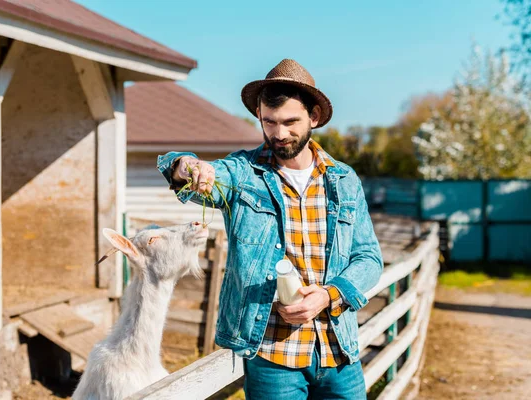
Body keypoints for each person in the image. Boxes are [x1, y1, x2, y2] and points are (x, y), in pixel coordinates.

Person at [157, 59, 383, 399]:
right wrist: (185, 166)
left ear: (314, 117)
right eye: (269, 122)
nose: (279, 134)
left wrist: (327, 296)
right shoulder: (242, 173)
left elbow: (368, 258)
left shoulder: (344, 180)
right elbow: (186, 172)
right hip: (272, 355)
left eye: (291, 122)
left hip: (338, 350)